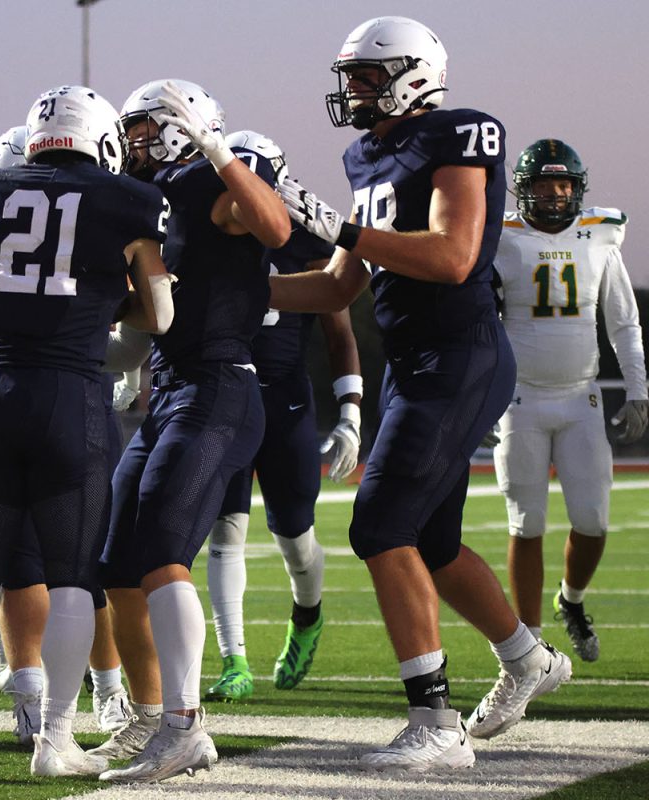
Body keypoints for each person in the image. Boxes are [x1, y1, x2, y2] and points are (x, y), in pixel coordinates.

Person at [268, 16, 571, 770]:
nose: (352, 92)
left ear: (413, 73)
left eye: (366, 76)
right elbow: (344, 282)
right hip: (410, 361)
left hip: (459, 352)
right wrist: (244, 294)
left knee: (378, 526)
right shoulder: (364, 152)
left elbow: (454, 255)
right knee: (429, 542)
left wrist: (337, 228)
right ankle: (526, 658)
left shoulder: (461, 133)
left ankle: (435, 724)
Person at [0, 85, 173, 781]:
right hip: (70, 392)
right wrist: (104, 293)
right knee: (72, 581)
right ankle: (55, 740)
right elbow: (159, 315)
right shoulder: (126, 200)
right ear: (98, 139)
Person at [92, 79, 290, 784]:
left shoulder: (218, 172)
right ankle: (149, 717)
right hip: (170, 390)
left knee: (162, 552)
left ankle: (184, 727)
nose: (135, 142)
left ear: (188, 125)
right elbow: (146, 310)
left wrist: (217, 150)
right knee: (114, 562)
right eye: (133, 130)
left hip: (218, 388)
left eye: (148, 128)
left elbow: (276, 228)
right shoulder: (151, 203)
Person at [203, 130, 363, 703]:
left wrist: (350, 411)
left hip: (284, 397)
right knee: (226, 531)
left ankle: (307, 613)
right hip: (222, 394)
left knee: (295, 536)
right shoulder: (207, 227)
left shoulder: (300, 238)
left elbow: (338, 329)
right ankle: (234, 659)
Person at [491, 139, 647, 663]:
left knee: (593, 521)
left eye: (563, 185)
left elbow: (623, 322)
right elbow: (480, 325)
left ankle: (571, 599)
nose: (555, 195)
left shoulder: (600, 235)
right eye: (543, 184)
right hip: (520, 401)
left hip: (581, 398)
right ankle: (528, 647)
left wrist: (638, 389)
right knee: (525, 522)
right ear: (524, 189)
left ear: (577, 189)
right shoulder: (501, 236)